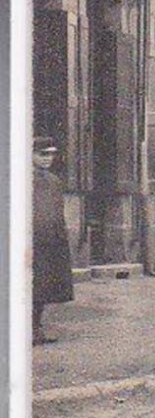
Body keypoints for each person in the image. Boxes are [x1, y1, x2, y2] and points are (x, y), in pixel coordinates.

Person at [31, 137, 75, 345]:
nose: (48, 159)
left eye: (50, 155)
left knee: (42, 288)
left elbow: (57, 212)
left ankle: (36, 328)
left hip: (49, 241)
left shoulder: (54, 181)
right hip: (29, 242)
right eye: (42, 154)